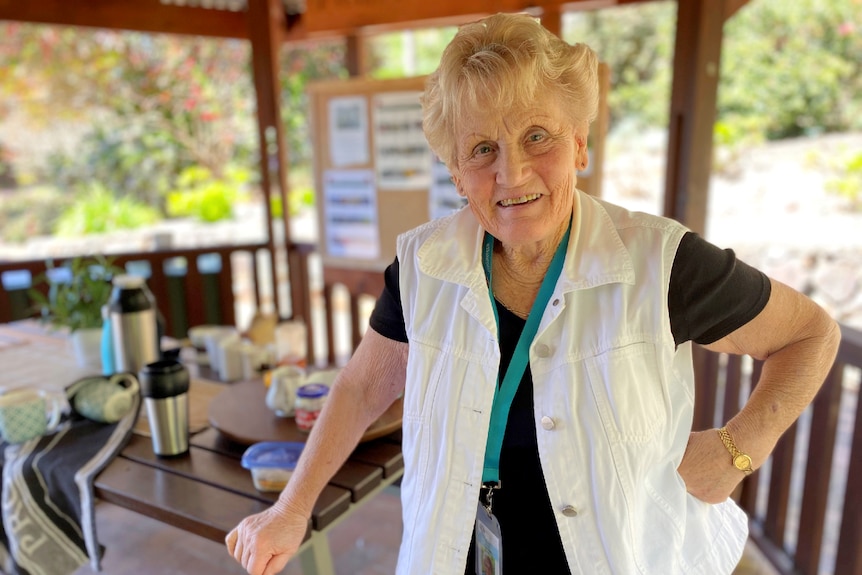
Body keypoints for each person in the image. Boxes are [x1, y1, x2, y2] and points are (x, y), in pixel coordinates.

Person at [226, 12, 841, 574]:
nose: (511, 173)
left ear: (579, 144)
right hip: (458, 553)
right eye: (483, 149)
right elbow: (362, 387)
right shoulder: (422, 265)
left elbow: (812, 333)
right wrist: (291, 506)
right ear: (455, 171)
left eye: (537, 137)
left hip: (624, 554)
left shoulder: (660, 262)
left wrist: (740, 447)